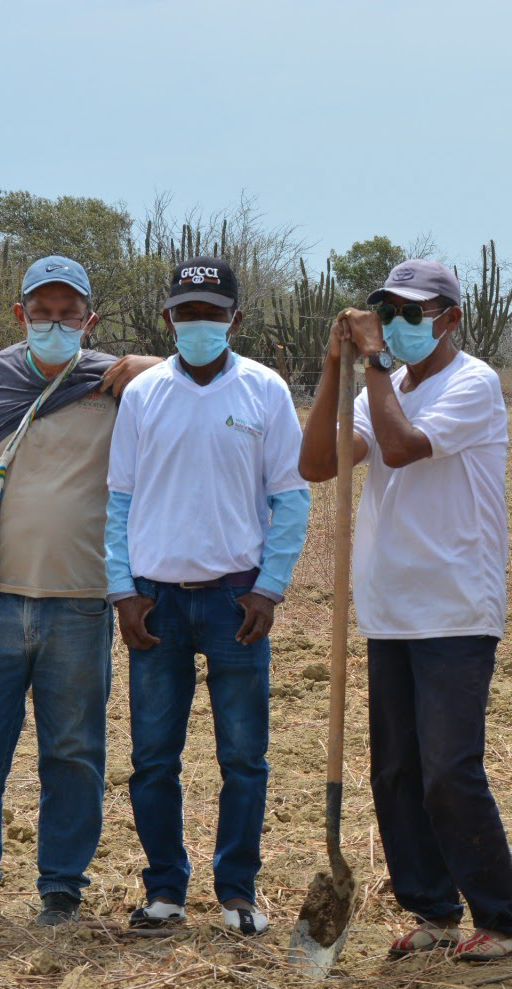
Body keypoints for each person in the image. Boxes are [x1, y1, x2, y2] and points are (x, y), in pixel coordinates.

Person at [0, 256, 156, 927]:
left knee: (73, 753)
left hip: (80, 602)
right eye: (41, 312)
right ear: (20, 316)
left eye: (69, 314)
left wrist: (148, 363)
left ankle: (61, 891)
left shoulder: (114, 380)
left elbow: (195, 387)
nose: (54, 323)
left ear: (89, 320)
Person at [296, 259, 512, 962]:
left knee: (450, 768)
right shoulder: (378, 387)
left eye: (412, 313)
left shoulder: (473, 384)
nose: (397, 325)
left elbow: (400, 447)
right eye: (387, 313)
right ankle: (432, 912)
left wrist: (370, 358)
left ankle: (498, 920)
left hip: (455, 605)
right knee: (394, 769)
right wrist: (336, 366)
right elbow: (317, 464)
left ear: (449, 319)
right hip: (389, 606)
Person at [105, 257, 310, 936]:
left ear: (235, 320)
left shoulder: (266, 391)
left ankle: (237, 893)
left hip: (236, 604)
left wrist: (270, 588)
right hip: (155, 603)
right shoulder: (143, 396)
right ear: (168, 318)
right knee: (153, 758)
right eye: (187, 312)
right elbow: (119, 503)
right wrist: (122, 592)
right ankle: (164, 890)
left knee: (243, 758)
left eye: (212, 312)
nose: (199, 323)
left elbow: (290, 498)